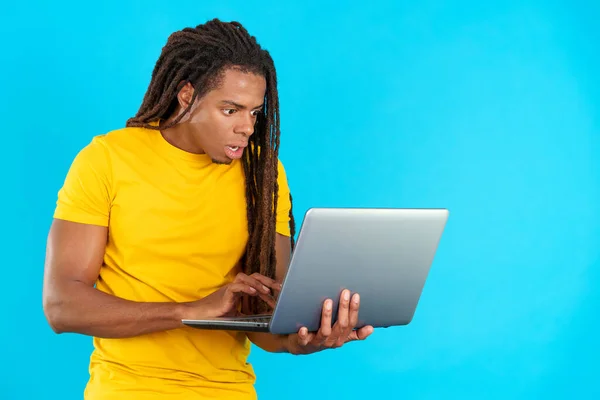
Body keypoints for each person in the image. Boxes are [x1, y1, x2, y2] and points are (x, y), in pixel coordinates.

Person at [42, 18, 374, 400]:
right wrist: (190, 310)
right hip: (128, 389)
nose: (246, 128)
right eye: (230, 110)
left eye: (254, 112)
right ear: (187, 95)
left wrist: (307, 339)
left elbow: (268, 321)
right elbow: (62, 305)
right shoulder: (106, 161)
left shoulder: (263, 174)